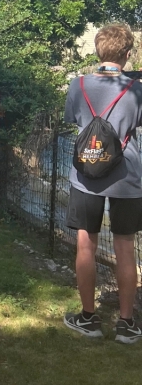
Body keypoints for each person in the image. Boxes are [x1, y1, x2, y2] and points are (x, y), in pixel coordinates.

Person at [63, 24, 142, 342]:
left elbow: (75, 120)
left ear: (98, 51)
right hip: (128, 176)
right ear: (127, 54)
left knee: (86, 244)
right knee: (125, 247)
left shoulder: (77, 85)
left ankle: (88, 318)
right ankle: (126, 323)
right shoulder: (137, 89)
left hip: (86, 176)